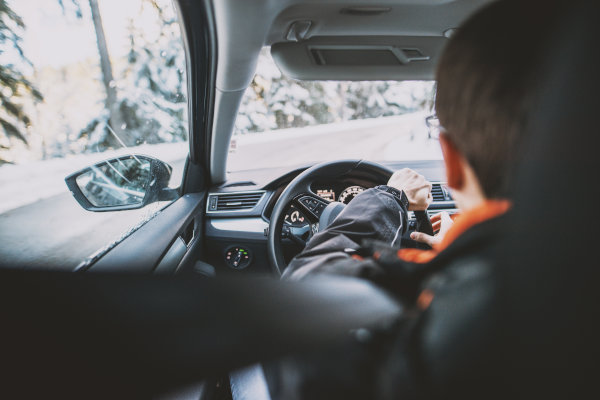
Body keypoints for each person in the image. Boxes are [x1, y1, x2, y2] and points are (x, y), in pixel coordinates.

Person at [276, 0, 564, 398]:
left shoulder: (450, 308)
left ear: (451, 158)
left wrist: (390, 196)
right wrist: (460, 253)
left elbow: (300, 297)